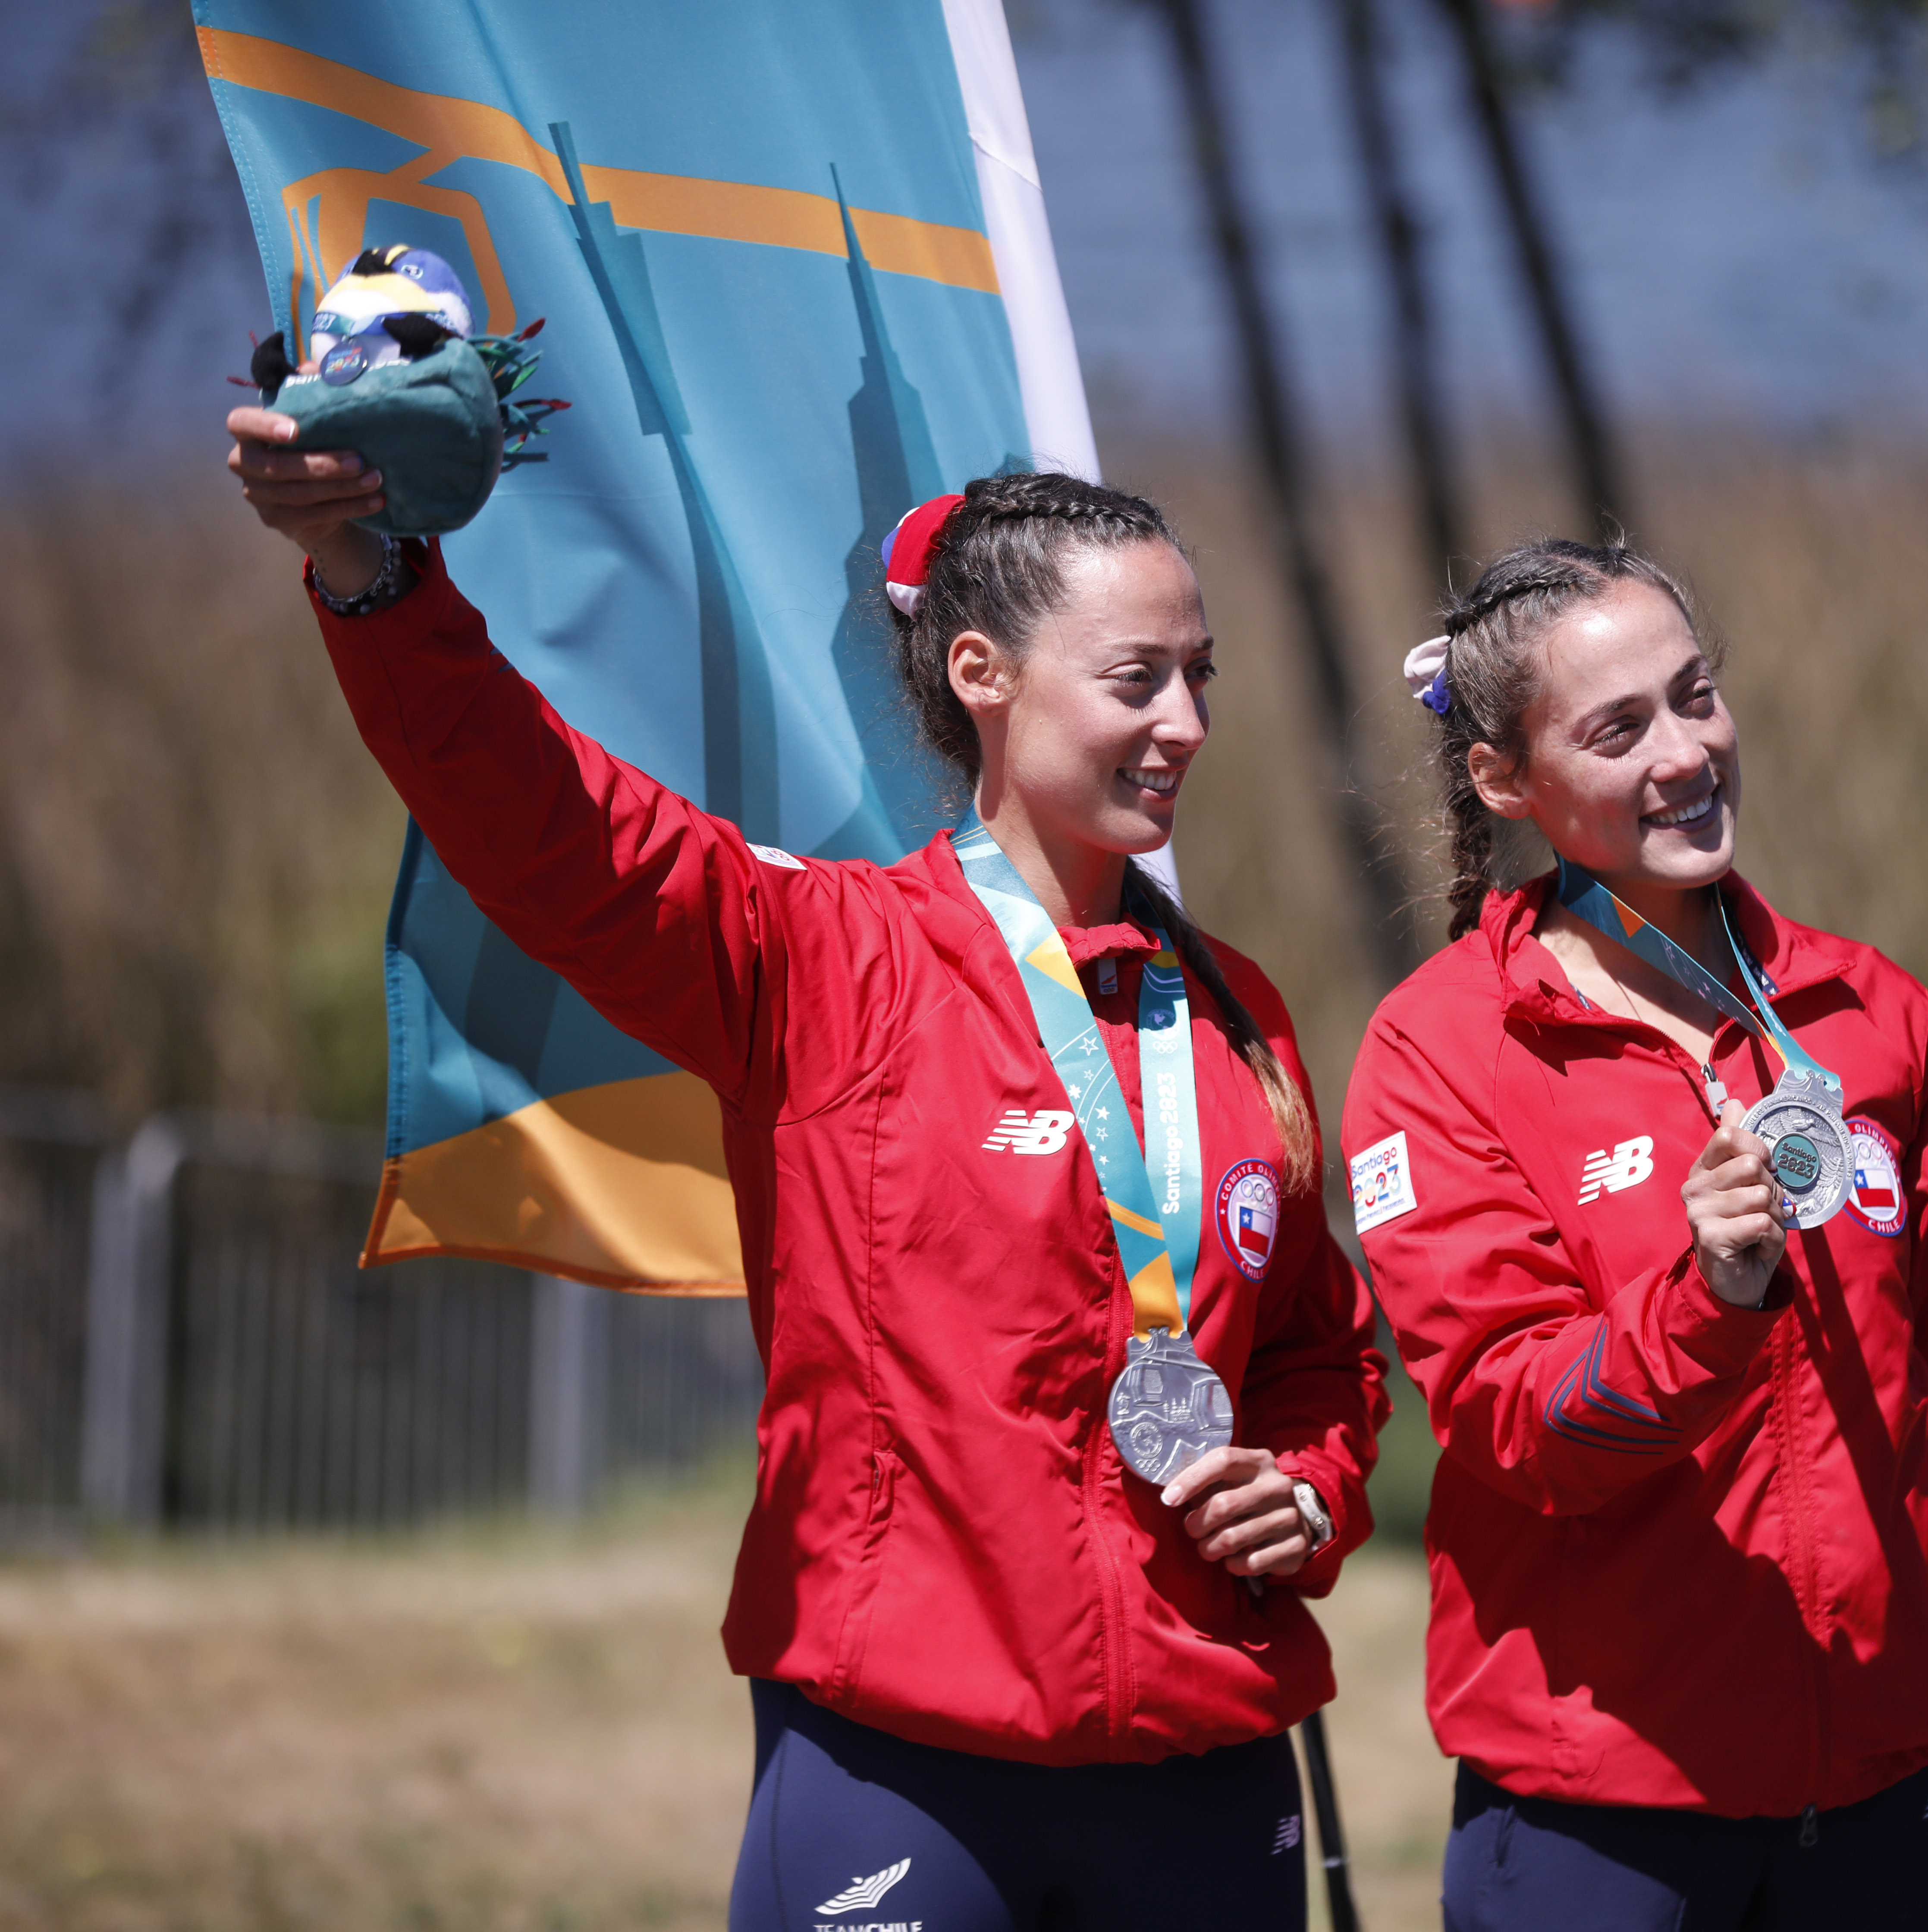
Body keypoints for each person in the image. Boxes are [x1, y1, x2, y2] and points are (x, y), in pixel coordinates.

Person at [226, 409, 1387, 1932]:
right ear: (982, 675)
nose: (1185, 724)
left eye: (1199, 678)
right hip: (902, 1770)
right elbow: (553, 826)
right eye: (1136, 680)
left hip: (1203, 1755)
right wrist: (374, 581)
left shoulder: (1235, 1013)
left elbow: (1318, 1351)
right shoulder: (822, 958)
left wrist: (1303, 1494)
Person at [1341, 539, 1928, 1930]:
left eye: (1697, 696)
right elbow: (1517, 1428)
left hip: (1893, 1782)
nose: (1687, 752)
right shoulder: (1439, 1054)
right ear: (1509, 782)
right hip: (1605, 1804)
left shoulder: (1874, 1017)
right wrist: (1709, 1301)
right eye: (1618, 728)